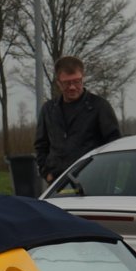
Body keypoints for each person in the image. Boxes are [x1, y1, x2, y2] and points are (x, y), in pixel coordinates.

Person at [34, 55, 122, 186]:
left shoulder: (99, 107)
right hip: (57, 183)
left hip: (93, 183)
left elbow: (114, 144)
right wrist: (47, 173)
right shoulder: (48, 109)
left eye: (77, 81)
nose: (72, 87)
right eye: (67, 83)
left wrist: (104, 175)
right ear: (58, 82)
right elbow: (41, 145)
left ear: (83, 78)